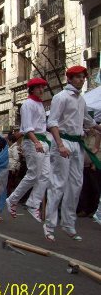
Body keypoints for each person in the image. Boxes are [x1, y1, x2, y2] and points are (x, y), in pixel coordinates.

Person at [43, 66, 101, 242]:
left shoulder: (81, 100)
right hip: (63, 142)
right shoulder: (60, 97)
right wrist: (59, 144)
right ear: (69, 79)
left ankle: (68, 223)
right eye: (78, 77)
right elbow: (52, 122)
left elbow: (87, 121)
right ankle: (49, 226)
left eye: (83, 77)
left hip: (77, 143)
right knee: (58, 184)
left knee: (76, 184)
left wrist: (98, 128)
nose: (82, 80)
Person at [5, 78, 50, 222]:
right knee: (33, 175)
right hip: (33, 142)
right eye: (38, 88)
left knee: (45, 175)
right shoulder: (27, 105)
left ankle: (32, 203)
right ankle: (12, 199)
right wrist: (36, 142)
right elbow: (27, 127)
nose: (42, 90)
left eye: (43, 87)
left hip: (43, 141)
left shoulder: (40, 104)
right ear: (32, 89)